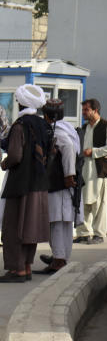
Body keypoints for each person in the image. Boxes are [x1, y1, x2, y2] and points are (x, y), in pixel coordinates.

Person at [0, 84, 52, 282]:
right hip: (39, 184)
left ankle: (17, 270)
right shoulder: (42, 125)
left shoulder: (20, 126)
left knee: (14, 228)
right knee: (30, 229)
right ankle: (27, 267)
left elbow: (14, 155)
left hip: (20, 184)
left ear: (21, 103)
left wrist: (5, 163)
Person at [39, 99, 82, 274]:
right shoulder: (69, 128)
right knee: (65, 222)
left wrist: (68, 175)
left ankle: (58, 260)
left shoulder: (58, 130)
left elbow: (69, 149)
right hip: (67, 183)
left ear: (48, 115)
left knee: (57, 221)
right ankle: (62, 257)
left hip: (60, 183)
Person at [74, 99, 107, 245]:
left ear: (95, 110)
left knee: (99, 202)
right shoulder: (84, 128)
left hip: (99, 170)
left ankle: (99, 234)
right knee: (82, 201)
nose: (83, 113)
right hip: (84, 169)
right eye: (83, 110)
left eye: (86, 110)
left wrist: (93, 152)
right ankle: (84, 233)